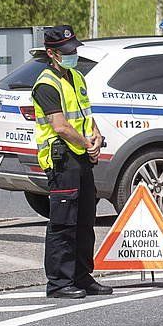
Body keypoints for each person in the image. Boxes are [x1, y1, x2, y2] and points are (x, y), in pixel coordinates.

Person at [31, 25, 110, 299]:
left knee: (85, 220)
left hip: (81, 157)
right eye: (66, 51)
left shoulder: (76, 77)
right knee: (63, 223)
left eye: (73, 49)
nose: (72, 54)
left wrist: (97, 135)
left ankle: (81, 276)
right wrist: (86, 144)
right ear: (51, 53)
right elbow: (61, 126)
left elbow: (86, 114)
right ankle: (59, 283)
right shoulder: (46, 84)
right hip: (62, 159)